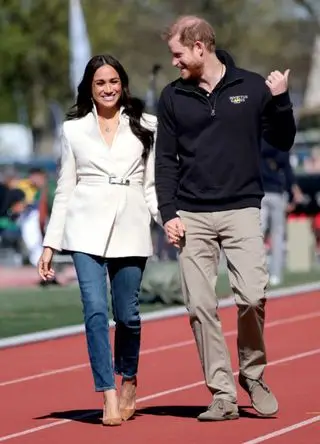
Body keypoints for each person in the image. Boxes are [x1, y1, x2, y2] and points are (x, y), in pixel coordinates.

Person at [155, 16, 296, 421]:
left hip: (242, 209)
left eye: (179, 54)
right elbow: (164, 162)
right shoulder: (172, 97)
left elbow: (282, 140)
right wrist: (169, 214)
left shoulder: (251, 87)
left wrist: (282, 99)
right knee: (200, 307)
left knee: (252, 296)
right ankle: (222, 394)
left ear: (200, 46)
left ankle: (252, 374)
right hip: (191, 215)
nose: (175, 63)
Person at [37, 54, 159, 426]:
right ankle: (107, 393)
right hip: (83, 229)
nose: (107, 89)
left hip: (131, 225)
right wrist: (50, 242)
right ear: (90, 88)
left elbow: (152, 186)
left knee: (128, 316)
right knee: (94, 311)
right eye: (100, 83)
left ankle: (128, 379)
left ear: (123, 85)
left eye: (113, 82)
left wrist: (168, 221)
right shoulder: (73, 130)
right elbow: (65, 188)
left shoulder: (147, 125)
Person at [260, 139, 303, 286]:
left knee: (257, 235)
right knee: (277, 236)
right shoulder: (280, 144)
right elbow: (287, 169)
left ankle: (257, 272)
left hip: (260, 192)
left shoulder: (258, 140)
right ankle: (276, 275)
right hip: (277, 193)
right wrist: (294, 190)